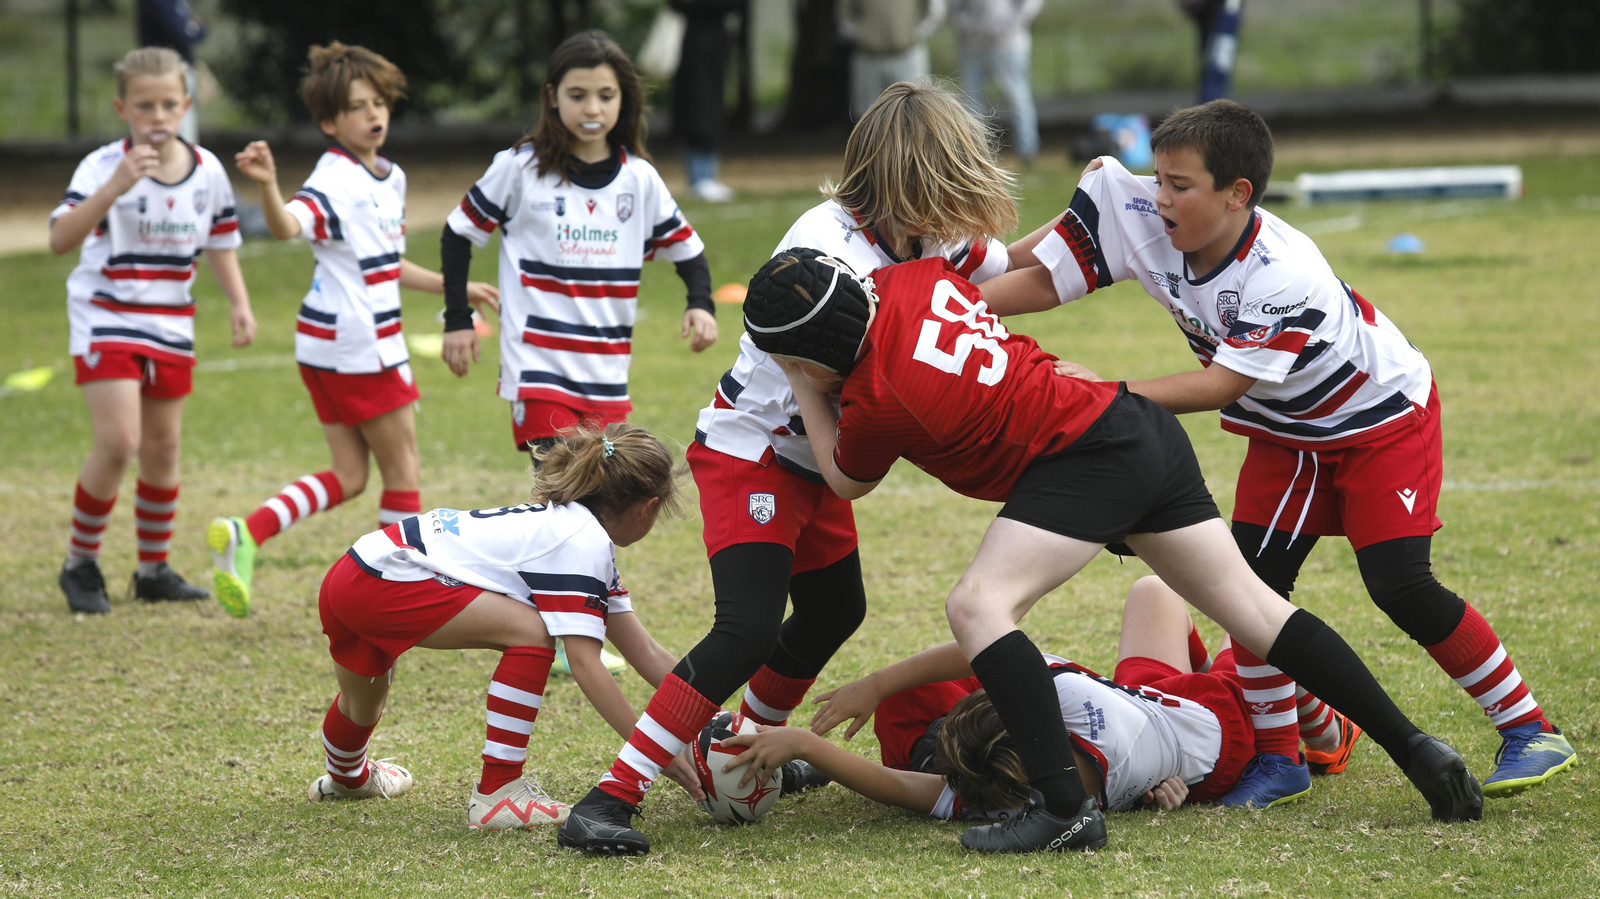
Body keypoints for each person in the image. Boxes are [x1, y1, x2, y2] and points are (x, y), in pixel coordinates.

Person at [734, 246, 1483, 853]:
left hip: (1081, 460)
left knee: (977, 605)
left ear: (815, 357)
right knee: (1257, 613)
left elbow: (845, 477)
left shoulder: (882, 397)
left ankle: (1063, 808)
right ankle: (1415, 747)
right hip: (1134, 427)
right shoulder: (914, 279)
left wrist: (801, 381)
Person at [978, 99, 1577, 800]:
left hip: (1379, 417)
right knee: (1249, 585)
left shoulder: (1282, 271)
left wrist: (1106, 393)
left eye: (1180, 185)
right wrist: (954, 305)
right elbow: (1041, 277)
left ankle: (1529, 728)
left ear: (1238, 194)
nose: (1160, 197)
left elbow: (1221, 384)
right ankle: (1280, 759)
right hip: (1285, 428)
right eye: (1159, 178)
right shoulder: (1137, 207)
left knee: (1400, 584)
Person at [556, 81, 1060, 856]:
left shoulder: (925, 231)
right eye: (940, 192)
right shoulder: (825, 249)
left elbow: (1009, 268)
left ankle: (744, 748)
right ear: (899, 184)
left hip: (815, 457)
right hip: (754, 451)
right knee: (746, 628)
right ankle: (608, 797)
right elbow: (861, 376)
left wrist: (1097, 225)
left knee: (834, 608)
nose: (951, 217)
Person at [209, 44, 497, 618]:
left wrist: (453, 287)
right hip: (361, 345)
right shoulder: (335, 178)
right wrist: (268, 185)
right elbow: (287, 225)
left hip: (326, 343)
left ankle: (248, 531)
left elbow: (384, 261)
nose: (374, 114)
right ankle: (393, 594)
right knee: (403, 471)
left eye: (380, 102)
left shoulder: (390, 176)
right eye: (358, 106)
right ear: (329, 123)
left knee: (349, 475)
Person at [305, 423, 707, 830]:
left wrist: (713, 718)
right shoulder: (581, 542)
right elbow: (586, 664)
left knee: (362, 703)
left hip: (356, 569)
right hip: (385, 581)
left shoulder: (572, 527)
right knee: (532, 632)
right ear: (647, 508)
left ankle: (347, 778)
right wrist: (650, 753)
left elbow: (645, 650)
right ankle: (499, 792)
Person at [721, 576, 1283, 823]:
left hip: (1155, 705)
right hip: (1210, 723)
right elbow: (982, 651)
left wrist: (813, 743)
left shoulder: (1011, 797)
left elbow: (901, 788)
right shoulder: (1056, 696)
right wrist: (870, 690)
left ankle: (1317, 728)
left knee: (1192, 605)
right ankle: (1318, 730)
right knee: (1202, 606)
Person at [439, 30, 717, 455]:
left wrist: (701, 304)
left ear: (623, 99)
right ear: (552, 96)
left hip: (607, 372)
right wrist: (458, 320)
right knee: (561, 482)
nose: (592, 108)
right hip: (537, 368)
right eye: (577, 95)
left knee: (602, 490)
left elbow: (687, 249)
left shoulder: (639, 179)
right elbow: (458, 232)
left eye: (606, 96)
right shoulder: (520, 169)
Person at [50, 46, 255, 615]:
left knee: (163, 449)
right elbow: (60, 238)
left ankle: (153, 571)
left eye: (169, 104)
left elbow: (220, 243)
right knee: (120, 442)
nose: (158, 116)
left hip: (171, 322)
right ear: (123, 109)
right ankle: (79, 563)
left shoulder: (207, 170)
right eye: (144, 106)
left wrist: (239, 303)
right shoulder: (101, 167)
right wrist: (114, 187)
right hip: (107, 316)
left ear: (186, 105)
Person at [950, 0, 1042, 166]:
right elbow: (955, 8)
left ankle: (1027, 152)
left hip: (1009, 43)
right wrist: (969, 27)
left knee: (1018, 98)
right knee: (970, 102)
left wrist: (1009, 25)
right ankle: (973, 152)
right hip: (971, 45)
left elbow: (1030, 4)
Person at [672, 0, 741, 202]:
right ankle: (698, 178)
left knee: (712, 111)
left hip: (714, 47)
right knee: (695, 111)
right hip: (693, 46)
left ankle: (708, 176)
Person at [840, 0, 946, 120]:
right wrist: (861, 37)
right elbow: (844, 14)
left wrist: (915, 35)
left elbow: (936, 11)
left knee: (914, 113)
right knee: (868, 115)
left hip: (908, 54)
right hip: (868, 55)